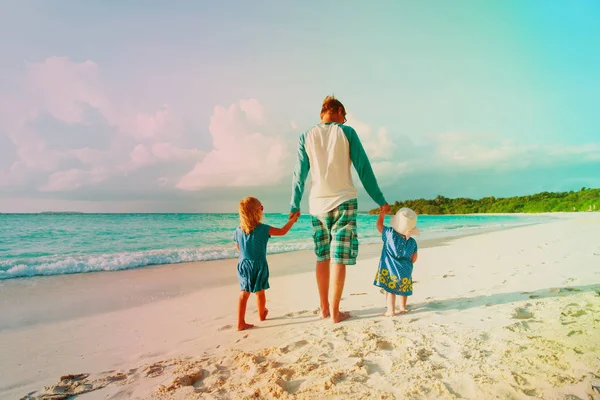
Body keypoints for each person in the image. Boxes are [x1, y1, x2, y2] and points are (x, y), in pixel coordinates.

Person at [290, 95, 390, 323]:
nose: (344, 121)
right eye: (343, 116)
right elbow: (364, 168)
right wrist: (380, 199)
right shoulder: (347, 133)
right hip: (344, 201)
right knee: (338, 258)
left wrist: (294, 205)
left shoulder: (305, 136)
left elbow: (299, 176)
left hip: (316, 205)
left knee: (322, 257)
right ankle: (335, 312)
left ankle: (324, 308)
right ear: (336, 110)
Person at [234, 196, 300, 331]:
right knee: (260, 292)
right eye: (261, 207)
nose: (263, 209)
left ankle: (241, 322)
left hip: (244, 265)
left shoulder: (238, 231)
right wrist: (292, 220)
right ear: (257, 211)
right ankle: (261, 314)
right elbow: (282, 231)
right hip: (259, 265)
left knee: (244, 293)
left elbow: (238, 247)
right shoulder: (263, 229)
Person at [374, 207, 419, 316]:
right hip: (406, 270)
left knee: (390, 290)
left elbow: (379, 226)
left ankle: (391, 310)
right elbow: (414, 258)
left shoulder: (389, 234)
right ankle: (403, 307)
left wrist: (382, 215)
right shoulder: (412, 242)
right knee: (404, 288)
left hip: (391, 269)